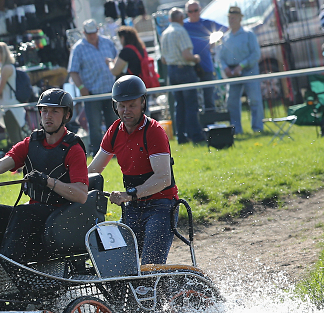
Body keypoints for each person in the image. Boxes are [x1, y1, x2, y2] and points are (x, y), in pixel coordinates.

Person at [0, 88, 88, 264]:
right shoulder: (30, 143)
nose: (48, 116)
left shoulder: (73, 149)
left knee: (23, 212)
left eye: (55, 111)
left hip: (60, 216)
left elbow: (81, 194)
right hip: (32, 214)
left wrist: (48, 182)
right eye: (44, 111)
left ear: (67, 116)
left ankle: (7, 268)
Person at [88, 76, 180, 265]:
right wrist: (63, 183)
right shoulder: (114, 131)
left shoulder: (154, 131)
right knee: (117, 264)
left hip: (161, 206)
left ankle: (156, 290)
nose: (126, 111)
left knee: (149, 266)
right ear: (115, 106)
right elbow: (93, 170)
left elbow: (163, 178)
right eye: (122, 106)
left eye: (132, 105)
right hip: (133, 208)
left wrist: (129, 195)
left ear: (143, 103)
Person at [67, 19, 118, 156]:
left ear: (97, 31)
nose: (92, 36)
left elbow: (118, 61)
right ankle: (97, 153)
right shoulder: (78, 48)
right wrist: (82, 87)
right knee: (94, 126)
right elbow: (73, 71)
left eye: (94, 32)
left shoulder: (107, 42)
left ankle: (116, 150)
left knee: (113, 123)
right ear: (84, 33)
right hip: (91, 93)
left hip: (110, 91)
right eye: (89, 33)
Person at [160, 8, 205, 144]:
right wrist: (196, 58)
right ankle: (196, 135)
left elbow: (163, 59)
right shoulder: (180, 31)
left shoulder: (164, 33)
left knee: (179, 105)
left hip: (172, 71)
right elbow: (187, 55)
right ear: (180, 19)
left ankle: (181, 136)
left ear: (170, 19)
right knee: (191, 104)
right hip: (184, 70)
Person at [217, 5, 264, 135]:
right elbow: (220, 57)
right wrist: (226, 68)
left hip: (249, 70)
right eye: (229, 18)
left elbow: (255, 54)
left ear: (239, 18)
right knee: (231, 101)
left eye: (233, 17)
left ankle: (258, 127)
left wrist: (241, 66)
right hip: (232, 73)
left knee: (254, 99)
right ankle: (236, 129)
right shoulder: (225, 38)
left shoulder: (248, 34)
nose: (231, 20)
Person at [184, 0, 227, 113]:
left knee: (208, 96)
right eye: (190, 11)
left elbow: (225, 29)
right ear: (187, 12)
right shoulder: (183, 25)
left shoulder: (207, 23)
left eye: (196, 10)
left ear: (200, 10)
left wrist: (215, 42)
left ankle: (211, 124)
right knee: (192, 99)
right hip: (189, 66)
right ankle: (196, 128)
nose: (193, 13)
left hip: (205, 65)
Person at [0, 41, 26, 144]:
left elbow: (0, 90)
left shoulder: (6, 68)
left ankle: (21, 159)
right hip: (11, 105)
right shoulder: (7, 67)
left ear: (2, 53)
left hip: (9, 107)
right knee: (18, 136)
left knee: (14, 138)